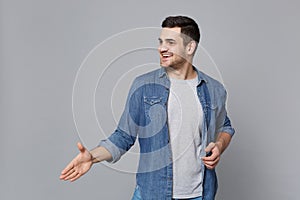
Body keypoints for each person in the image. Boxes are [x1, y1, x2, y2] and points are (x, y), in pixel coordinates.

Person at [60, 15, 235, 200]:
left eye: (170, 42)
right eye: (160, 42)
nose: (161, 48)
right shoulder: (143, 86)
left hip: (200, 194)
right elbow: (123, 137)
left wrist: (219, 145)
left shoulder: (214, 89)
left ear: (190, 47)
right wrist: (92, 158)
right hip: (152, 193)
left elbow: (225, 126)